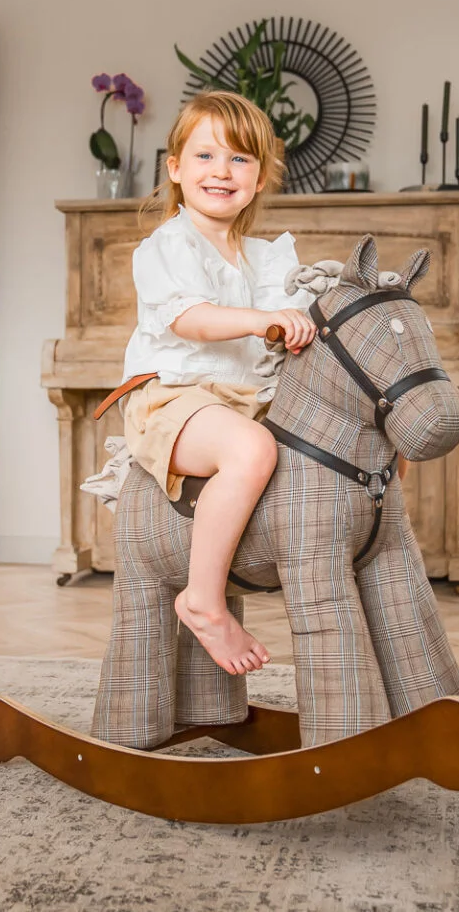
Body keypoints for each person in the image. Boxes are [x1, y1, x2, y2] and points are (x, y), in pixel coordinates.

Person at [121, 91, 316, 676]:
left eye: (239, 160)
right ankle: (202, 601)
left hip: (249, 399)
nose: (222, 172)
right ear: (176, 170)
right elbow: (191, 320)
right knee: (252, 447)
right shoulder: (165, 247)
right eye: (205, 156)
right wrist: (264, 322)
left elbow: (292, 323)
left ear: (260, 179)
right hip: (172, 399)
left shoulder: (270, 257)